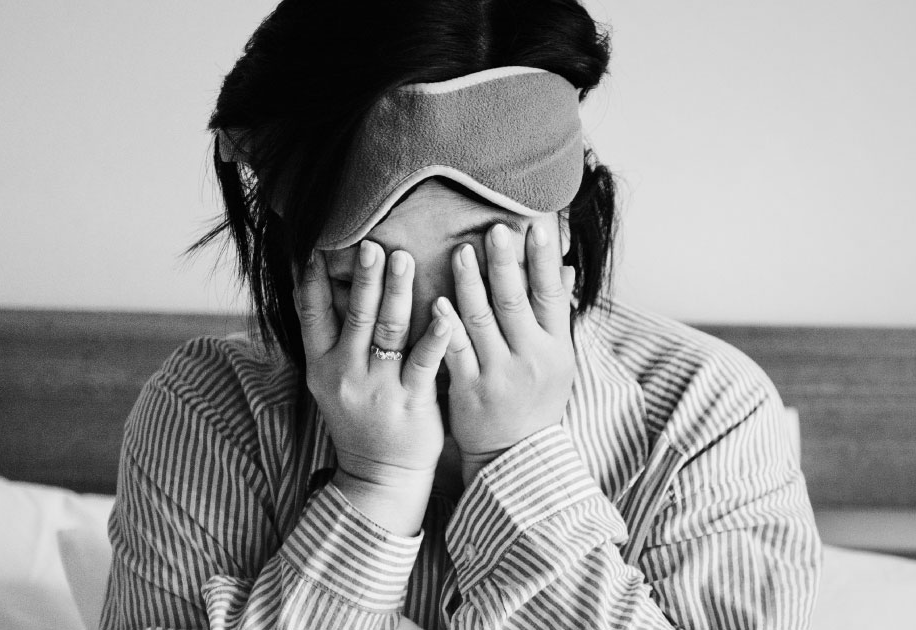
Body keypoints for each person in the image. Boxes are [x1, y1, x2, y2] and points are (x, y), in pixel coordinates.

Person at [101, 1, 823, 628]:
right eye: (364, 281)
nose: (434, 332)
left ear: (562, 231)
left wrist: (518, 458)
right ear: (293, 256)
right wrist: (374, 486)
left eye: (483, 274)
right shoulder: (206, 413)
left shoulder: (705, 414)